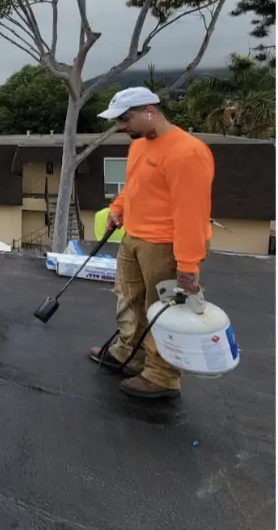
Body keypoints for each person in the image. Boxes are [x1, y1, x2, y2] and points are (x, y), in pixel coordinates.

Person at [88, 87, 215, 400]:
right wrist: (118, 208)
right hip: (134, 237)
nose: (121, 126)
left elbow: (192, 214)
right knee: (128, 297)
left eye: (125, 118)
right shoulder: (141, 146)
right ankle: (130, 353)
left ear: (150, 111)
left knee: (163, 310)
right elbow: (134, 186)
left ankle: (162, 376)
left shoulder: (187, 152)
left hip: (166, 246)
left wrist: (187, 265)